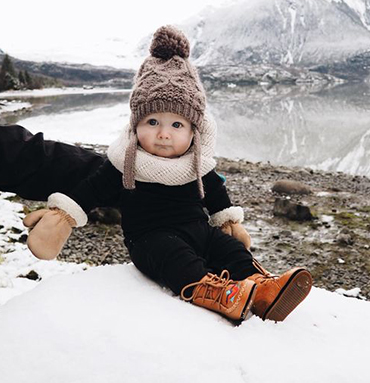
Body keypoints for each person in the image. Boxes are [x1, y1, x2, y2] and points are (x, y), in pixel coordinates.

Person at [21, 25, 313, 323]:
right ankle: (216, 293)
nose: (163, 134)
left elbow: (216, 195)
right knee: (174, 258)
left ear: (193, 131)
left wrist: (228, 223)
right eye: (152, 122)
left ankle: (262, 288)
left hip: (199, 231)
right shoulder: (126, 162)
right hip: (150, 238)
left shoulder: (197, 163)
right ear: (136, 124)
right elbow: (91, 190)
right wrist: (63, 216)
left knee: (229, 250)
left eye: (176, 125)